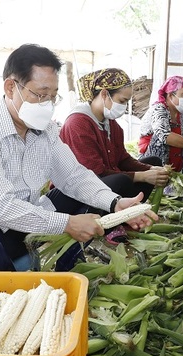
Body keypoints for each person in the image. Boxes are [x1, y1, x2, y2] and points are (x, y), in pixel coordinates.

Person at [0, 44, 156, 272]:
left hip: (27, 224)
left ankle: (66, 266)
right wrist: (67, 223)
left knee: (81, 194)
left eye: (53, 96)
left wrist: (116, 203)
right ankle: (0, 280)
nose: (47, 105)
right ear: (10, 87)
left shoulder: (45, 129)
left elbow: (74, 176)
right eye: (40, 94)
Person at [59, 68, 169, 244]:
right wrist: (142, 175)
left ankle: (124, 217)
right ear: (104, 94)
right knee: (122, 180)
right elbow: (94, 173)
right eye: (122, 101)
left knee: (153, 161)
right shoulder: (78, 123)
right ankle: (108, 226)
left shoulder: (112, 125)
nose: (124, 107)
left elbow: (123, 159)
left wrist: (150, 169)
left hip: (106, 183)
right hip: (77, 192)